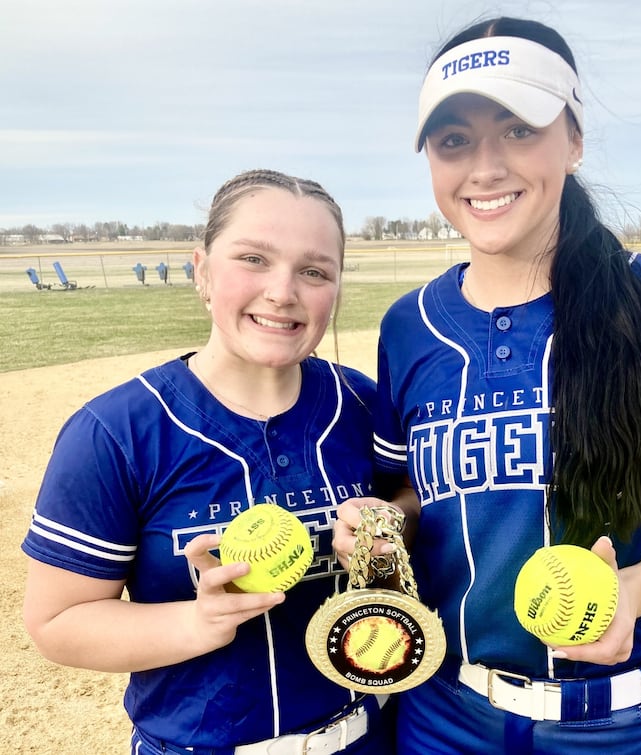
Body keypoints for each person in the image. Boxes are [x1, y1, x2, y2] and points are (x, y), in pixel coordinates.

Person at [332, 17, 641, 754]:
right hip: (444, 719)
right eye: (454, 140)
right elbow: (413, 494)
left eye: (518, 129)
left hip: (619, 725)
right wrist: (382, 522)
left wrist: (634, 592)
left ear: (574, 140)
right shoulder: (409, 325)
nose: (484, 167)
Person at [21, 169, 394, 754]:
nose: (283, 291)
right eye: (253, 259)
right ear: (201, 270)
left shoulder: (364, 406)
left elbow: (411, 504)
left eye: (314, 270)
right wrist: (195, 624)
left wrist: (385, 535)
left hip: (367, 739)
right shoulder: (116, 431)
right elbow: (57, 622)